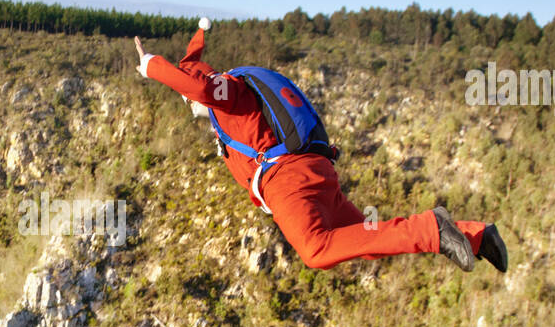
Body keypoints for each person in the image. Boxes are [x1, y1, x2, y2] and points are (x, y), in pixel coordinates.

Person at [133, 21, 508, 273]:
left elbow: (198, 87)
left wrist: (151, 66)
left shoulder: (226, 91)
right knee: (368, 237)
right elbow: (195, 67)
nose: (190, 105)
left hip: (289, 181)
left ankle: (434, 229)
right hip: (317, 175)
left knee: (315, 250)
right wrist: (197, 37)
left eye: (188, 99)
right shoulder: (234, 99)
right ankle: (475, 235)